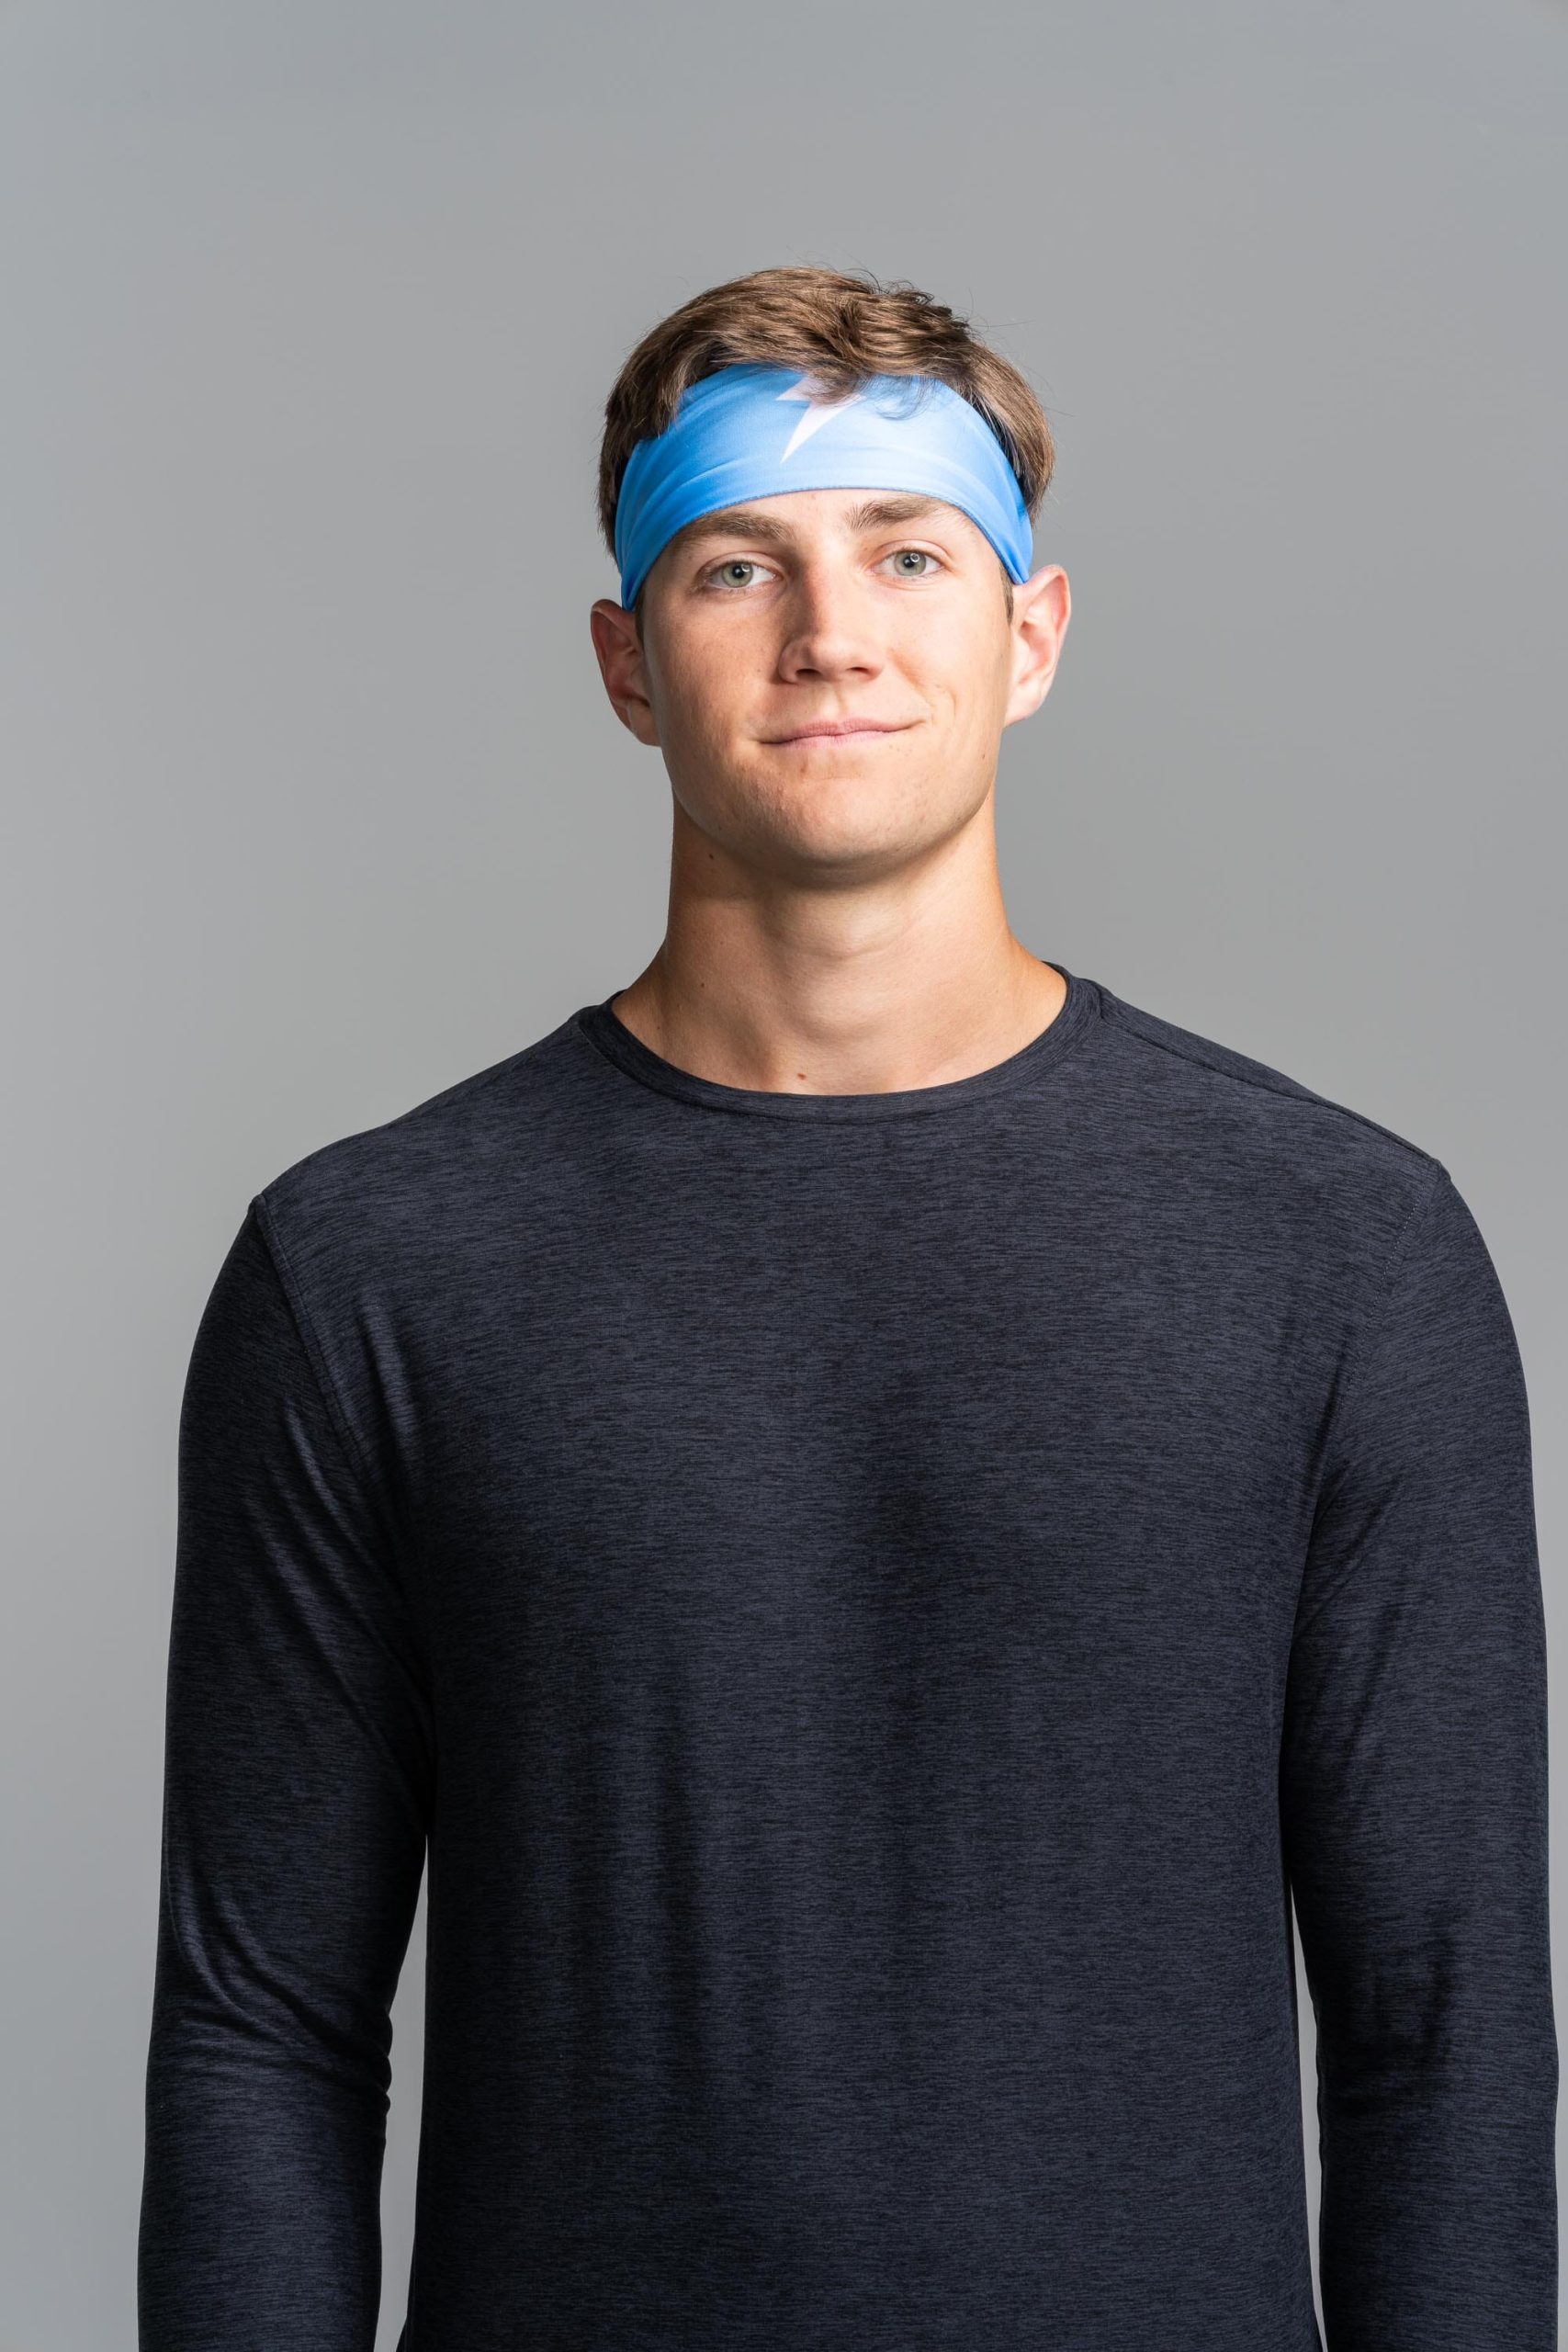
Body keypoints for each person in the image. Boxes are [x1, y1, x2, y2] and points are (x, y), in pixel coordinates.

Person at [137, 263, 1557, 2350]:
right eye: (737, 566)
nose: (831, 632)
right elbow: (261, 2027)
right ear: (628, 663)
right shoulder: (368, 1270)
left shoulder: (1339, 1249)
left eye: (908, 552)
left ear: (1029, 634)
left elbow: (1444, 2034)